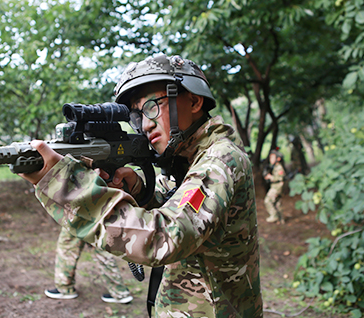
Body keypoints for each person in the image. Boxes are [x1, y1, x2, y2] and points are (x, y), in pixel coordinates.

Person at [21, 54, 263, 317]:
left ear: (193, 101)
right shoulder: (185, 159)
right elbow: (178, 207)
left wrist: (66, 185)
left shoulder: (221, 158)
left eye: (151, 107)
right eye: (138, 115)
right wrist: (139, 190)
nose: (146, 125)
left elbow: (167, 237)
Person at [45, 226, 133, 303]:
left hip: (78, 213)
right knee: (100, 249)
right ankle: (119, 292)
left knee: (67, 247)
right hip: (99, 213)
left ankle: (64, 288)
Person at [263, 149, 286, 224]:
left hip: (277, 188)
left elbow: (280, 178)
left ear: (278, 159)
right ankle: (281, 219)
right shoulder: (274, 167)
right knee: (277, 203)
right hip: (276, 187)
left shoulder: (279, 167)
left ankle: (274, 215)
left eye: (273, 158)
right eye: (270, 158)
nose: (271, 160)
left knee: (267, 200)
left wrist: (270, 177)